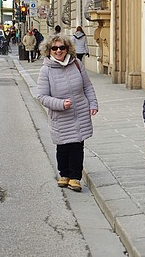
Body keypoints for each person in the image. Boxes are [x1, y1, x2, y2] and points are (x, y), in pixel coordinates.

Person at [37, 34, 98, 192]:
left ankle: (75, 177)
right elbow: (42, 96)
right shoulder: (46, 70)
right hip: (60, 115)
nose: (58, 51)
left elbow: (88, 87)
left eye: (62, 48)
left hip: (79, 113)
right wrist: (60, 104)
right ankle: (64, 174)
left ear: (67, 49)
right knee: (63, 147)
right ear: (49, 50)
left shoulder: (76, 64)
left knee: (77, 146)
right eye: (55, 48)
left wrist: (93, 104)